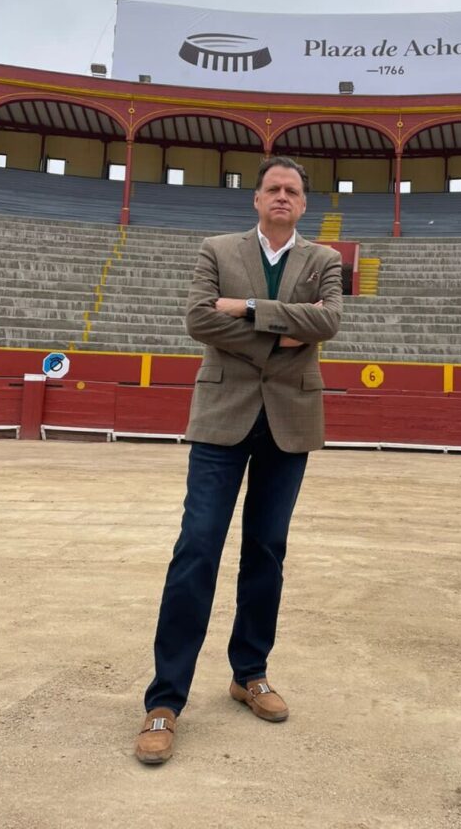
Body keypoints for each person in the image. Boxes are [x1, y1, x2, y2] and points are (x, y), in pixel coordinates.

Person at [134, 156, 342, 764]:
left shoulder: (323, 260)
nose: (283, 197)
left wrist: (245, 309)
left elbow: (329, 321)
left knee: (267, 550)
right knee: (196, 546)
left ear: (304, 205)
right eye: (273, 188)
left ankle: (249, 672)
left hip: (289, 419)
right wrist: (283, 329)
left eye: (293, 191)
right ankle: (164, 701)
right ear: (256, 199)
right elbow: (199, 317)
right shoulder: (216, 248)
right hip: (223, 416)